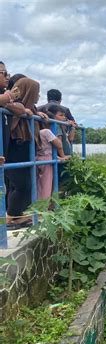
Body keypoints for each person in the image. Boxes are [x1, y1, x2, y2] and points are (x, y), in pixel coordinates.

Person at [5, 77, 41, 230]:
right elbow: (9, 129)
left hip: (23, 152)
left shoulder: (31, 110)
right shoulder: (12, 107)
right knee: (22, 186)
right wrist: (22, 113)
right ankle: (9, 218)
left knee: (18, 185)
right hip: (14, 152)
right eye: (35, 92)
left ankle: (16, 216)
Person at [36, 122, 69, 199]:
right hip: (47, 161)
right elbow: (59, 144)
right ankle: (43, 207)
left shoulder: (37, 132)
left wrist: (59, 157)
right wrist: (63, 156)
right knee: (46, 185)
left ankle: (39, 204)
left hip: (38, 158)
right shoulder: (46, 131)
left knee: (38, 184)